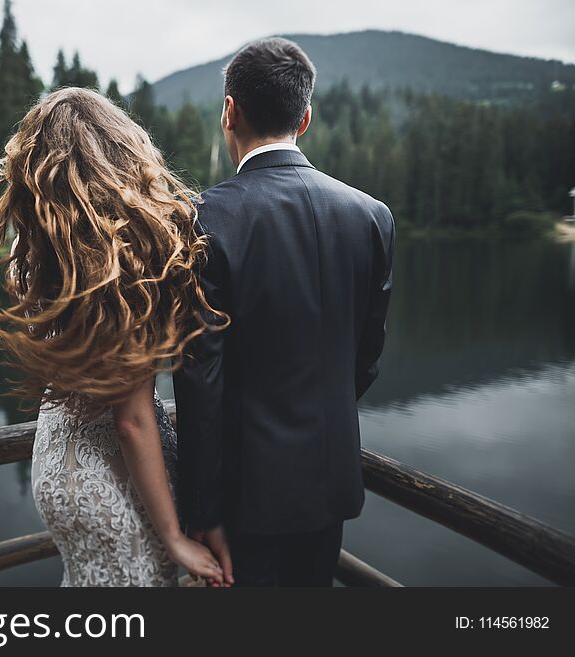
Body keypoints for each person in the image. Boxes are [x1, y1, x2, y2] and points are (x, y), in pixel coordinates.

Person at [0, 87, 230, 586]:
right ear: (121, 155)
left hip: (54, 464)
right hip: (113, 471)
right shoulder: (122, 266)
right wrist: (175, 537)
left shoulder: (41, 252)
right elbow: (131, 419)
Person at [173, 37, 396, 587]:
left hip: (245, 500)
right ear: (306, 118)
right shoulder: (371, 215)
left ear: (230, 112)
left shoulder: (205, 219)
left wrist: (204, 512)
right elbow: (366, 357)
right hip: (330, 486)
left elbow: (200, 383)